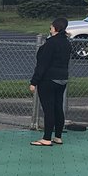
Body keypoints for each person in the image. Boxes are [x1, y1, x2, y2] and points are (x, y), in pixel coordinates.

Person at [29, 16, 73, 146]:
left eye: (51, 27)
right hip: (62, 79)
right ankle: (58, 136)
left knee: (49, 109)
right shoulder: (67, 43)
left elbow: (43, 64)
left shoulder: (51, 44)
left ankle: (47, 138)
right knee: (58, 107)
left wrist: (34, 82)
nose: (50, 29)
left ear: (55, 28)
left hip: (48, 80)